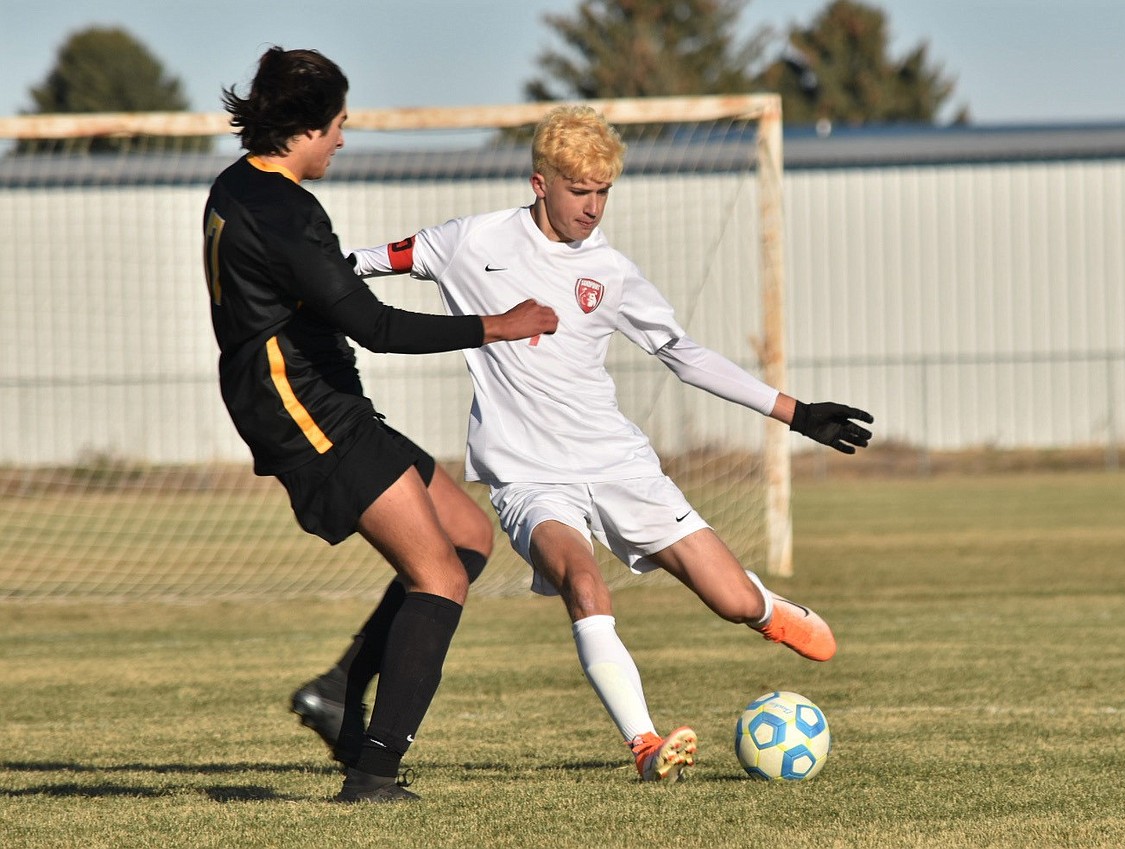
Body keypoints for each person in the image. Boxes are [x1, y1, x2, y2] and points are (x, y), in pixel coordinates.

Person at [297, 104, 873, 783]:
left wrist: (797, 412)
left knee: (732, 601)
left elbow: (682, 354)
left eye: (604, 192)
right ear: (540, 182)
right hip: (529, 478)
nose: (593, 207)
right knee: (583, 578)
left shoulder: (611, 270)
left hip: (617, 462)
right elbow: (363, 262)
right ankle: (646, 744)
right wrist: (296, 290)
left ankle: (768, 608)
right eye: (580, 191)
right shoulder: (468, 240)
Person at [201, 47, 557, 803]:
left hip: (319, 400)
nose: (341, 140)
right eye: (337, 126)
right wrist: (497, 324)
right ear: (305, 126)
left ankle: (339, 690)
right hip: (306, 413)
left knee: (468, 537)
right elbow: (375, 325)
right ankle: (374, 772)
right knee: (441, 579)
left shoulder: (237, 186)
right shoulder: (288, 212)